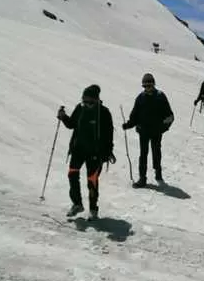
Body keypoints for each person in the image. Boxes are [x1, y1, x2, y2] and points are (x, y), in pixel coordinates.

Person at [57, 84, 115, 220]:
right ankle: (77, 204)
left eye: (90, 101)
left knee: (92, 181)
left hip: (95, 153)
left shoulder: (104, 113)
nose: (87, 103)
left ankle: (93, 209)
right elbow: (72, 124)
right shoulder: (80, 108)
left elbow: (109, 134)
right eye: (85, 100)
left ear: (96, 100)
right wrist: (63, 117)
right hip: (78, 150)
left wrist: (107, 152)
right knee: (72, 174)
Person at [122, 73, 174, 187]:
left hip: (156, 132)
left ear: (153, 84)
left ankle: (158, 173)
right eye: (145, 86)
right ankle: (142, 179)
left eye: (149, 85)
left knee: (156, 153)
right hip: (143, 131)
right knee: (143, 154)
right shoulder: (140, 98)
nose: (147, 88)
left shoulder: (160, 96)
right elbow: (134, 116)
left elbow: (170, 116)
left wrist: (162, 128)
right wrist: (128, 125)